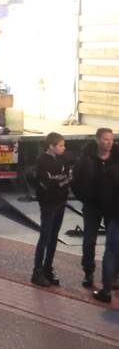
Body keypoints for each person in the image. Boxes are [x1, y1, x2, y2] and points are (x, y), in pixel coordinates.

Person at [73, 128, 116, 290]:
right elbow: (76, 180)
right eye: (105, 139)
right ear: (97, 140)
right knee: (89, 240)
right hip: (92, 205)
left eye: (111, 139)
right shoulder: (86, 159)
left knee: (113, 242)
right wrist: (84, 196)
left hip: (113, 207)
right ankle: (88, 272)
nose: (109, 142)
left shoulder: (117, 158)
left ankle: (113, 275)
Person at [31, 132, 72, 287]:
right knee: (45, 235)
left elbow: (68, 177)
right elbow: (47, 183)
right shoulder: (42, 161)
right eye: (61, 145)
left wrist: (60, 181)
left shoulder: (63, 159)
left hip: (61, 201)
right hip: (48, 203)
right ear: (51, 146)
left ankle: (48, 268)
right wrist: (61, 181)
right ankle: (37, 271)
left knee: (54, 236)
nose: (64, 148)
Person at [92, 161, 119, 304]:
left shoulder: (113, 171)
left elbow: (106, 196)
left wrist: (108, 214)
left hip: (116, 217)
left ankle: (106, 291)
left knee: (111, 253)